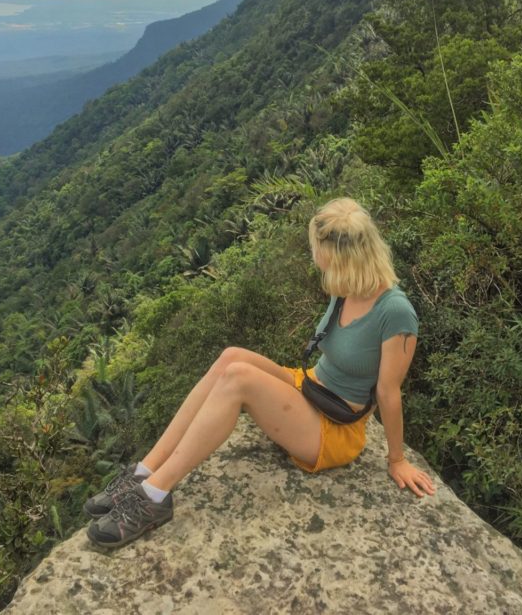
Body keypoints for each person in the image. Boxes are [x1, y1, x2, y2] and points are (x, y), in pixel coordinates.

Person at [85, 197, 436, 549]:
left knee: (239, 378)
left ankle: (155, 496)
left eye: (317, 249)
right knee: (231, 357)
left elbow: (390, 392)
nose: (314, 257)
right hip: (312, 387)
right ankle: (145, 471)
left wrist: (397, 459)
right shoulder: (346, 287)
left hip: (336, 427)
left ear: (341, 256)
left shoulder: (396, 313)